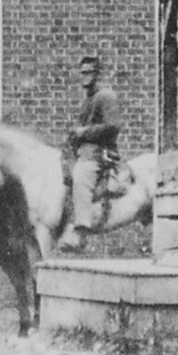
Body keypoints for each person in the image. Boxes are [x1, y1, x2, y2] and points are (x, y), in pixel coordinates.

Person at [65, 55, 123, 230]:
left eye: (89, 73)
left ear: (97, 74)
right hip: (85, 151)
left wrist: (85, 132)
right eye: (82, 73)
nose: (85, 76)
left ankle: (82, 225)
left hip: (99, 153)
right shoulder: (88, 99)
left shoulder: (105, 96)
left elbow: (114, 126)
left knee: (81, 177)